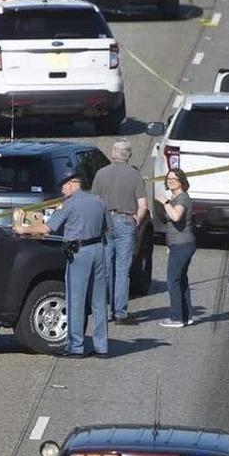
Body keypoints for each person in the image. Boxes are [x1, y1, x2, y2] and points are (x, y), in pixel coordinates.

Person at [16, 171, 109, 357]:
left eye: (64, 186)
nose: (62, 190)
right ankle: (102, 347)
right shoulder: (99, 201)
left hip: (79, 253)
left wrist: (23, 229)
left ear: (73, 184)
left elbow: (46, 228)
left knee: (75, 299)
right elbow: (108, 227)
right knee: (98, 301)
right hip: (98, 250)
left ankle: (75, 346)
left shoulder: (69, 204)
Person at [91, 140, 149, 324]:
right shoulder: (135, 175)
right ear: (129, 155)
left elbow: (94, 202)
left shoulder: (101, 174)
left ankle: (105, 310)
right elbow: (143, 206)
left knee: (106, 269)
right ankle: (120, 312)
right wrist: (135, 222)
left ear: (113, 153)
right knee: (123, 270)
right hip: (126, 221)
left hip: (106, 222)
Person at [155, 168, 195, 327]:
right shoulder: (176, 197)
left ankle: (176, 318)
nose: (170, 181)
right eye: (168, 178)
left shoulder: (182, 199)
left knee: (173, 281)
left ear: (182, 181)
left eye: (174, 179)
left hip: (182, 244)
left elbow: (176, 216)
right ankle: (186, 316)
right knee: (181, 280)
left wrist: (165, 202)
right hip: (178, 244)